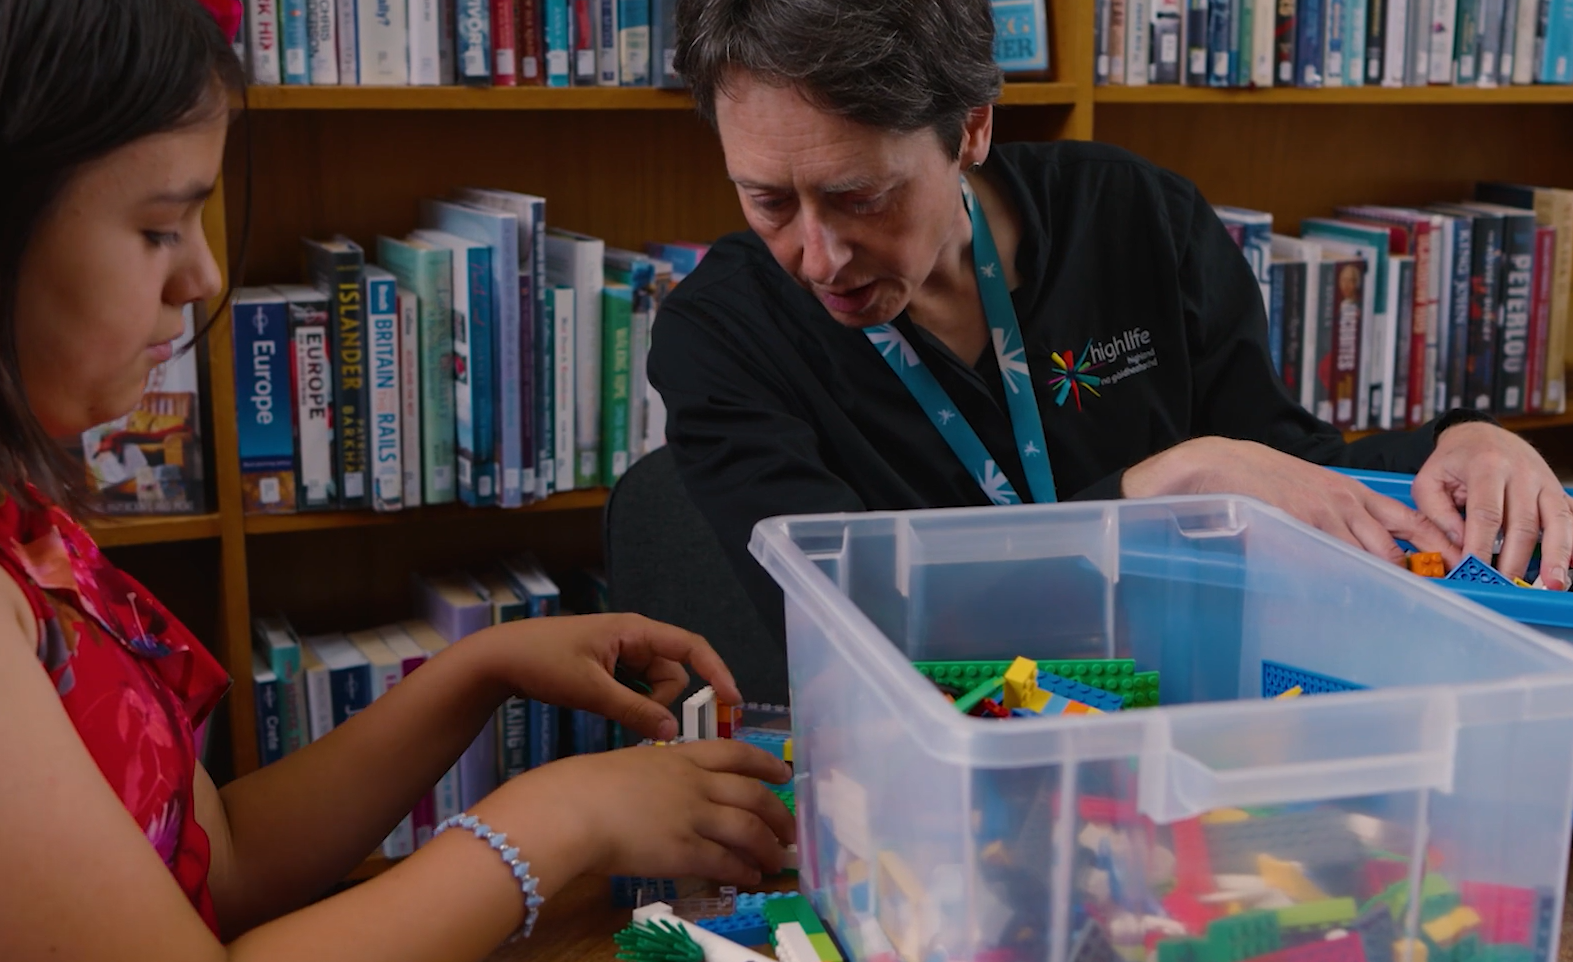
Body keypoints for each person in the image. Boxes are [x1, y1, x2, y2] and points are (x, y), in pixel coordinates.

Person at [0, 2, 793, 959]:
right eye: (160, 227)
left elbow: (221, 855)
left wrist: (478, 669)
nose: (203, 277)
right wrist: (560, 819)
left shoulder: (29, 532)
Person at [650, 0, 1573, 652]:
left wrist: (1459, 445)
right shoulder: (719, 336)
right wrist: (1151, 491)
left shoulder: (1136, 214)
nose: (816, 256)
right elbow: (842, 623)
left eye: (862, 198)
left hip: (1193, 710)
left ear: (969, 130)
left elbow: (1289, 472)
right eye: (767, 199)